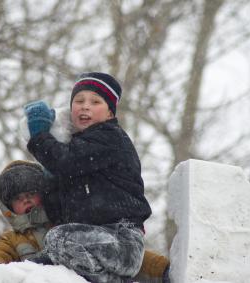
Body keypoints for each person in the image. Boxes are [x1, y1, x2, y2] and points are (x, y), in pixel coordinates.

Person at [23, 72, 153, 283]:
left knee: (58, 239)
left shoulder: (109, 138)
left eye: (95, 102)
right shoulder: (79, 153)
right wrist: (51, 181)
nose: (85, 106)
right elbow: (59, 211)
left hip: (122, 240)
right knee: (46, 254)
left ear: (110, 113)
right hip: (95, 242)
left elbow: (64, 161)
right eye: (79, 100)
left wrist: (39, 135)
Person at [0, 160, 170, 283]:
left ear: (44, 192)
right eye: (18, 198)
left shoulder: (72, 221)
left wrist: (164, 270)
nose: (26, 200)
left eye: (31, 193)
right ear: (8, 207)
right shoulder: (10, 240)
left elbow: (116, 252)